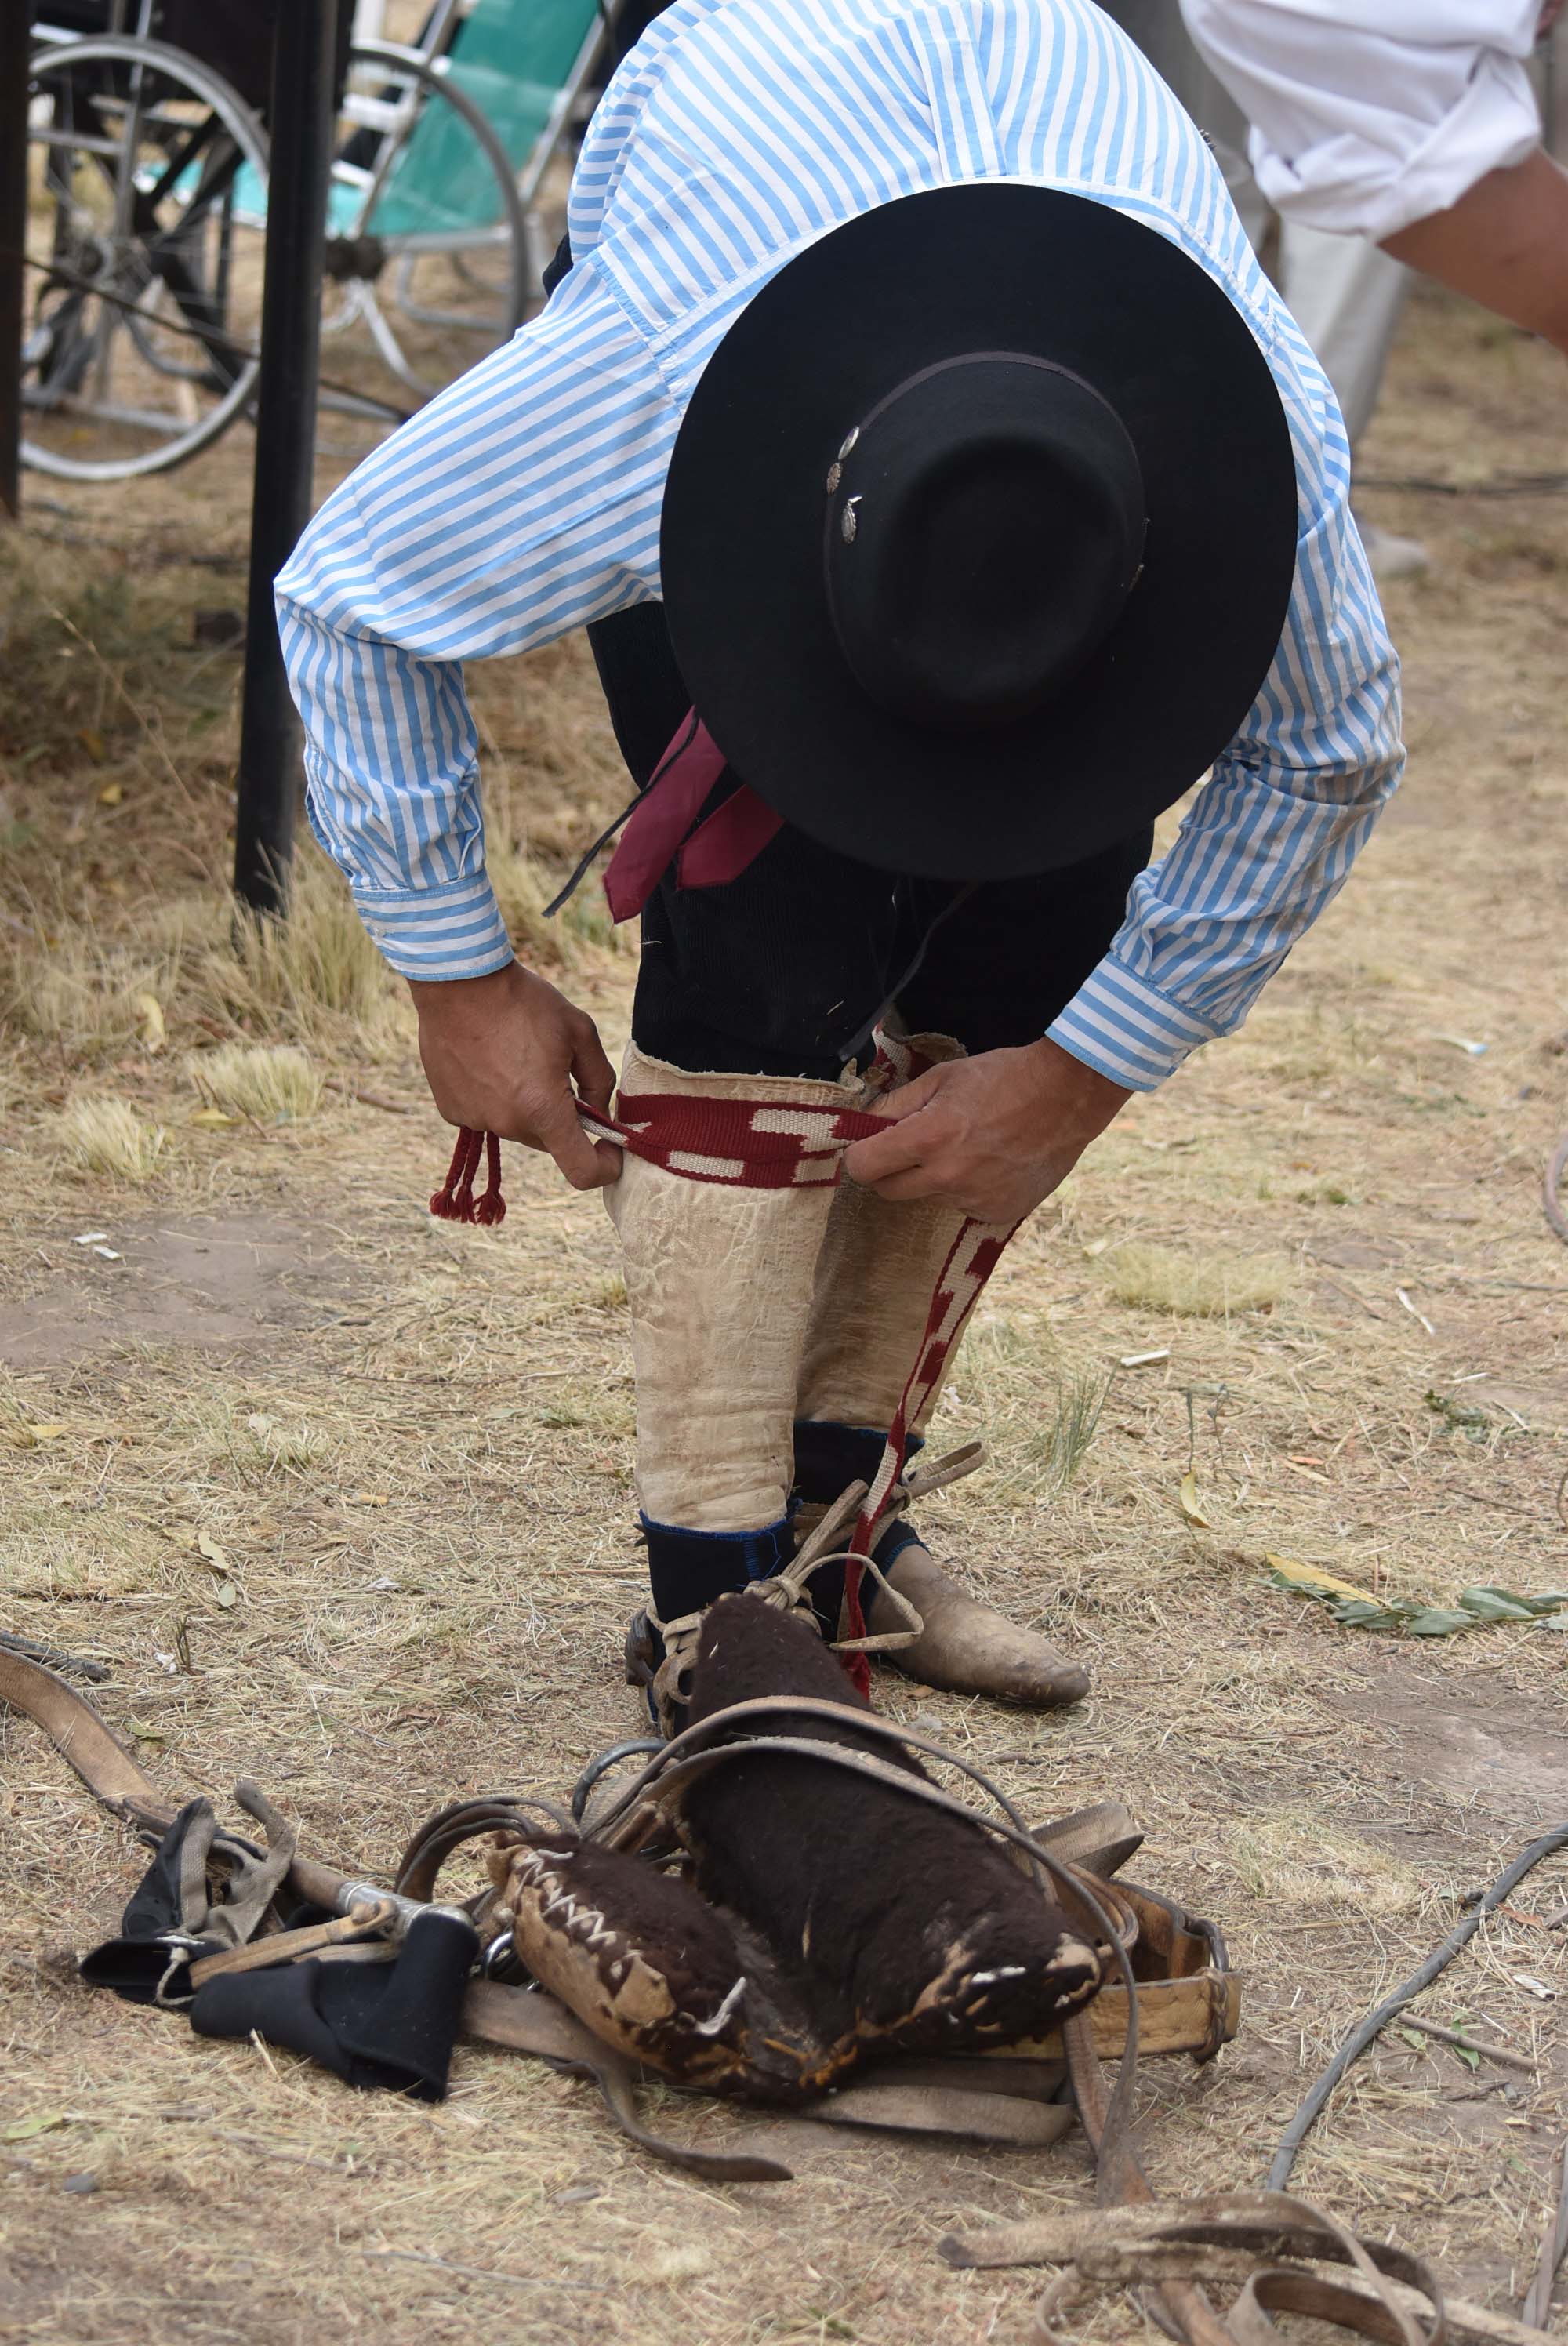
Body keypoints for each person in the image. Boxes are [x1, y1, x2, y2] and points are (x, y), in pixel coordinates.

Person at [277, 0, 1402, 1724]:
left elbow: (1328, 747)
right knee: (764, 957)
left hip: (1059, 409)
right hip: (764, 376)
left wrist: (1080, 1075)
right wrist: (458, 977)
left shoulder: (1259, 422)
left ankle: (838, 1533)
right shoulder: (648, 383)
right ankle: (720, 1617)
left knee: (1043, 941)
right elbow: (351, 599)